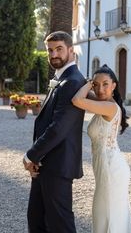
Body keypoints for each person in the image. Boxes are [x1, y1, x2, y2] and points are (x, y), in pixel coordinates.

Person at [24, 31, 87, 233]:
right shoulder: (61, 79)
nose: (54, 55)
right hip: (44, 164)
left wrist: (30, 155)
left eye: (59, 49)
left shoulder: (73, 82)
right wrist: (37, 158)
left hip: (58, 166)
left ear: (71, 50)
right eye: (50, 50)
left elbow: (59, 128)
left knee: (61, 225)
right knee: (37, 219)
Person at [72, 64, 131, 233]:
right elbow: (86, 96)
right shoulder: (103, 101)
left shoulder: (109, 107)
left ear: (114, 85)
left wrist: (88, 83)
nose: (100, 89)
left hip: (111, 168)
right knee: (108, 214)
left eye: (105, 84)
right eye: (96, 85)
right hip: (107, 165)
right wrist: (89, 85)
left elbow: (77, 100)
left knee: (106, 214)